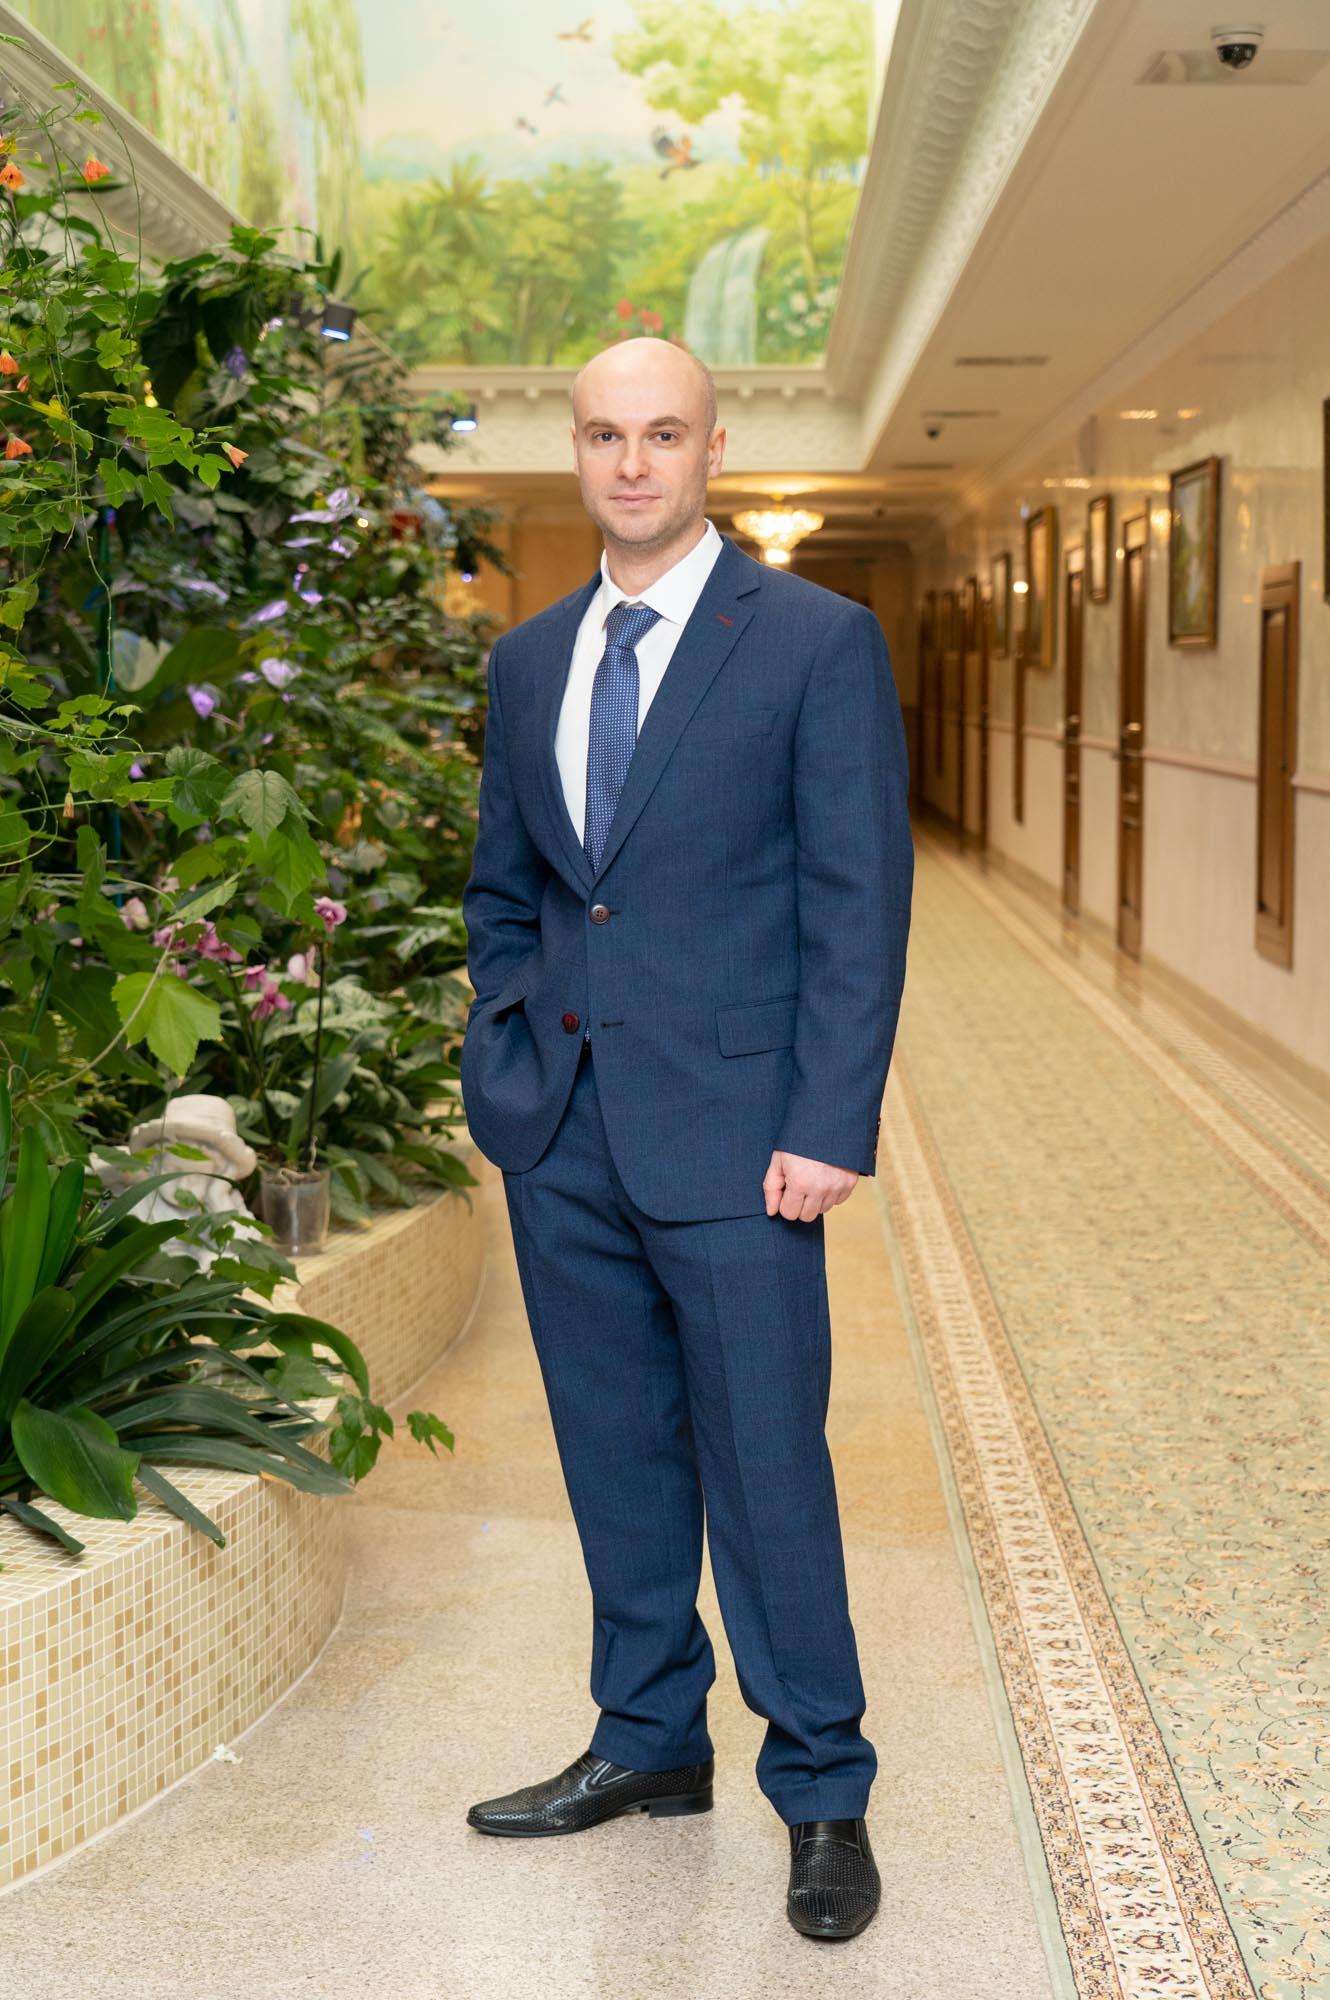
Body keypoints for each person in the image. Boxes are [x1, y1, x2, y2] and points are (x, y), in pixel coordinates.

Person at [459, 336, 913, 1941]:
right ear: (575, 454)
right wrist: (505, 1051)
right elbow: (508, 888)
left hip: (742, 1139)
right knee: (614, 1452)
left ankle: (822, 1785)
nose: (632, 463)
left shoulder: (812, 640)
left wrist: (826, 1121)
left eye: (662, 434)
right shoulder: (528, 660)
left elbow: (858, 900)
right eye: (604, 435)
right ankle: (648, 1736)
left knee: (766, 1466)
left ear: (714, 449)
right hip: (564, 1132)